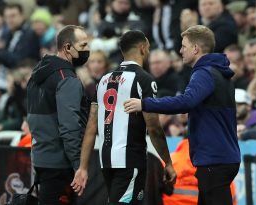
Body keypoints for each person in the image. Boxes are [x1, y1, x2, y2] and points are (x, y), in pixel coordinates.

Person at [124, 25, 241, 205]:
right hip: (221, 156)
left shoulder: (204, 73)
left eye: (184, 46)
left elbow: (186, 102)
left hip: (214, 158)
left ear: (196, 49)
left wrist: (144, 103)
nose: (180, 50)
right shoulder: (219, 73)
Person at [71, 30, 176, 205]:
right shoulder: (144, 80)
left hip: (106, 160)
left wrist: (83, 167)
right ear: (143, 48)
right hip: (130, 159)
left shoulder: (103, 80)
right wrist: (168, 162)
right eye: (148, 48)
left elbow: (91, 126)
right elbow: (154, 127)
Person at [26, 25, 90, 205]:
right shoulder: (66, 78)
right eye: (83, 45)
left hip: (40, 157)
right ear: (68, 48)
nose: (87, 50)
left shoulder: (37, 74)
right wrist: (79, 165)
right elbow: (69, 126)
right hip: (61, 163)